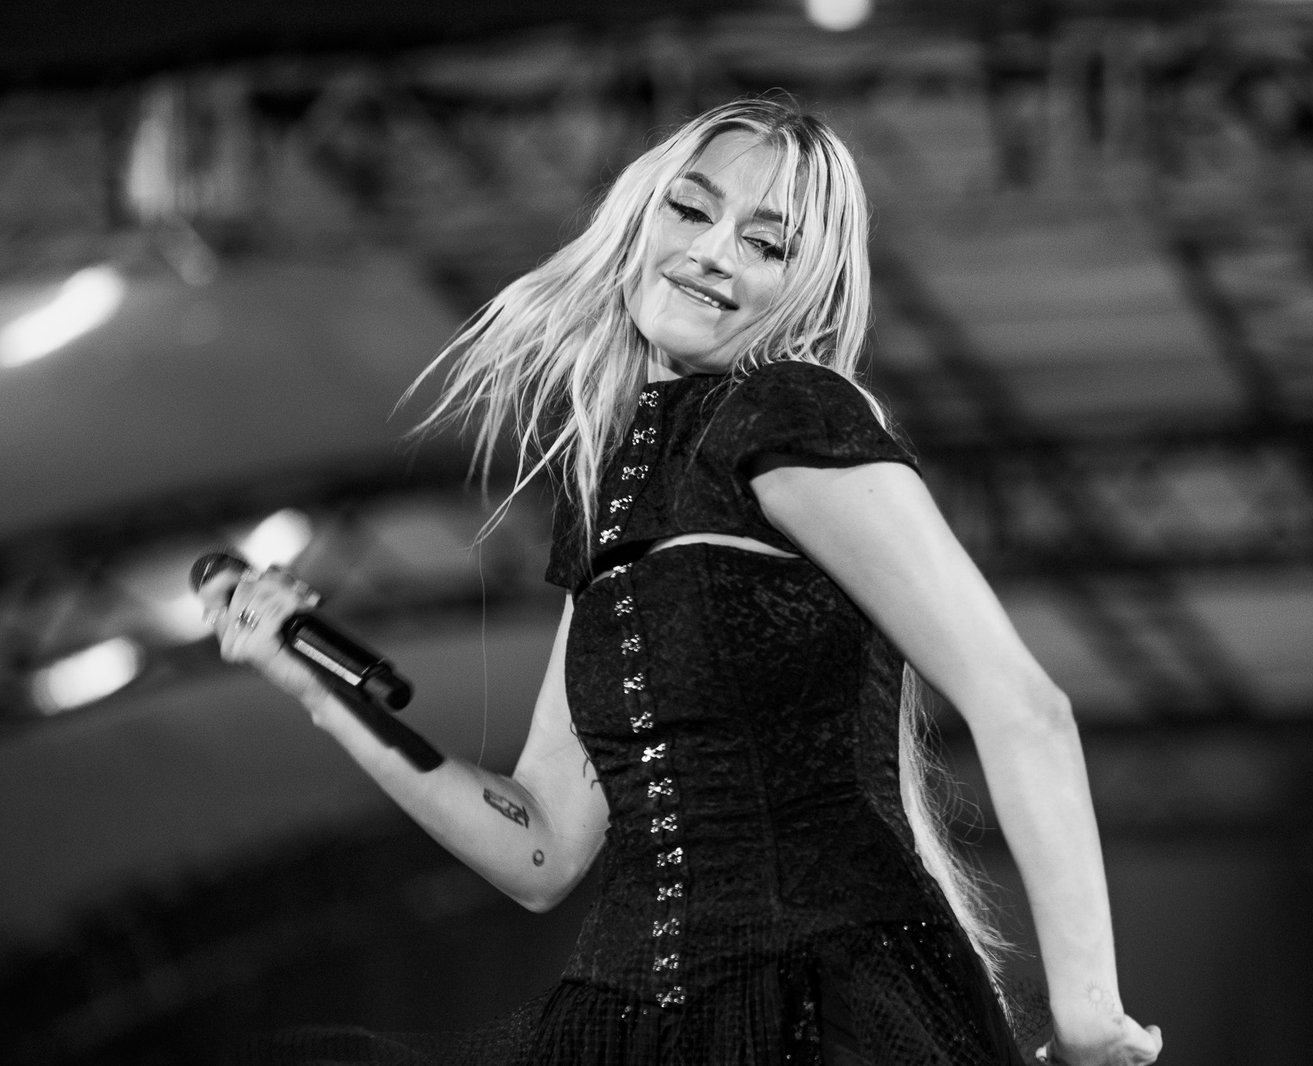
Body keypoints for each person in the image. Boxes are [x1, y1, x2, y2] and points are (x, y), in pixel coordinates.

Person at [201, 97, 1162, 1066]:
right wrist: (318, 690)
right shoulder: (608, 492)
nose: (712, 253)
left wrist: (1088, 1016)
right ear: (640, 215)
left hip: (825, 1004)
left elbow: (1022, 704)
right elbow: (542, 847)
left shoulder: (789, 413)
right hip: (631, 1025)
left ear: (807, 293)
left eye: (765, 243)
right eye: (691, 209)